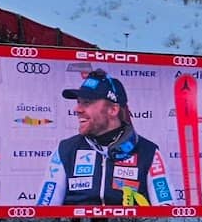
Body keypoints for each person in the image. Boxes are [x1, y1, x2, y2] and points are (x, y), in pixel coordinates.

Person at [37, 71, 170, 209]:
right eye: (78, 102)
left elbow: (166, 210)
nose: (77, 109)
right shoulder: (65, 150)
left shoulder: (148, 152)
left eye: (87, 103)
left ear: (113, 109)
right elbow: (44, 211)